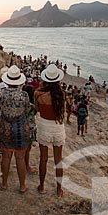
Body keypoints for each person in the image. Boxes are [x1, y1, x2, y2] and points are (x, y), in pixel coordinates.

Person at [0, 65, 30, 193]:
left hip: (5, 128)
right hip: (20, 129)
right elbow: (27, 110)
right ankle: (22, 186)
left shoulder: (1, 93)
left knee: (5, 157)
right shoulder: (24, 95)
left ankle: (4, 184)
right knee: (20, 158)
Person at [34, 64, 66, 197]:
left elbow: (37, 110)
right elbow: (62, 112)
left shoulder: (38, 94)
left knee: (43, 158)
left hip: (44, 126)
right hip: (57, 127)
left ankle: (41, 185)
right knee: (58, 160)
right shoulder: (61, 94)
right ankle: (59, 190)